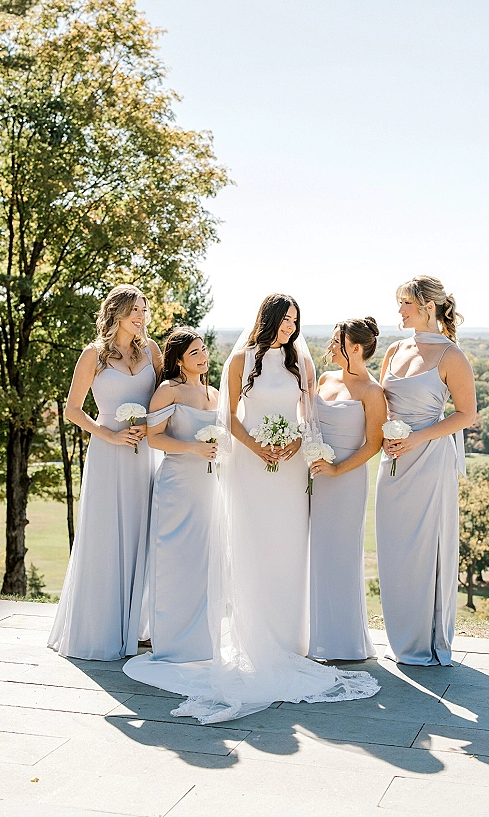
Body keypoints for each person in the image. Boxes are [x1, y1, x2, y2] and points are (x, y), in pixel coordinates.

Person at [124, 293, 380, 722]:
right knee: (252, 544)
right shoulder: (242, 359)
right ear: (269, 318)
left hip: (291, 468)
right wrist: (259, 448)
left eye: (296, 320)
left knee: (288, 548)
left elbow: (308, 414)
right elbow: (229, 418)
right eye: (285, 319)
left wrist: (295, 444)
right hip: (249, 462)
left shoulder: (302, 360)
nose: (290, 328)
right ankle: (249, 637)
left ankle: (289, 639)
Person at [48, 284, 161, 661]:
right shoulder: (92, 355)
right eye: (135, 309)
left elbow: (166, 397)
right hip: (108, 454)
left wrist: (155, 427)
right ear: (116, 311)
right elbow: (73, 410)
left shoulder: (152, 351)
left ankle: (138, 626)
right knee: (107, 533)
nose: (141, 316)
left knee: (142, 532)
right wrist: (109, 434)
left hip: (145, 452)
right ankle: (101, 628)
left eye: (144, 310)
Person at [375, 276, 477, 666]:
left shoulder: (452, 356)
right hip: (394, 460)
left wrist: (417, 439)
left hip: (430, 460)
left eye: (405, 304)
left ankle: (426, 640)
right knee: (394, 547)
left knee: (424, 549)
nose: (399, 311)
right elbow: (382, 403)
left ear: (428, 308)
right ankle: (400, 634)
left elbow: (466, 414)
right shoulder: (394, 350)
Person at [123, 328, 219, 685]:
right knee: (173, 560)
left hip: (208, 486)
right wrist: (194, 449)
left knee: (202, 560)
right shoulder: (168, 390)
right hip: (177, 485)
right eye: (194, 352)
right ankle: (172, 641)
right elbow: (155, 436)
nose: (202, 356)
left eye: (204, 349)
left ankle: (201, 639)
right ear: (178, 359)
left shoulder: (213, 392)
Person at [309, 317, 387, 661]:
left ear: (355, 348)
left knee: (341, 555)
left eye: (335, 340)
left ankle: (344, 643)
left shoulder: (373, 392)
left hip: (347, 481)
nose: (329, 346)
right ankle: (314, 637)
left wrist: (337, 468)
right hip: (314, 478)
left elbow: (374, 444)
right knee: (314, 554)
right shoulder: (325, 379)